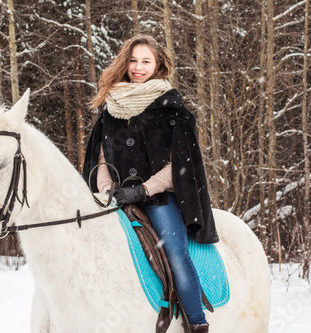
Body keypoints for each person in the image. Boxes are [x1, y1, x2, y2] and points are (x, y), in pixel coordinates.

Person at [82, 34, 219, 333]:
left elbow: (180, 165)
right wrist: (107, 189)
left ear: (157, 66)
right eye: (133, 60)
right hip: (117, 198)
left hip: (158, 200)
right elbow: (101, 157)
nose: (138, 67)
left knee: (175, 253)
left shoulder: (172, 109)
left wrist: (144, 189)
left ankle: (196, 323)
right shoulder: (111, 107)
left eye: (146, 61)